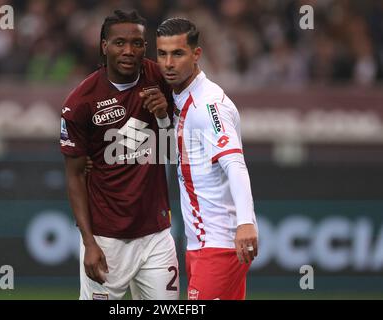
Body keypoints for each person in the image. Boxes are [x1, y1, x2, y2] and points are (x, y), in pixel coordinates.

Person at [60, 10, 179, 300]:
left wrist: (165, 116)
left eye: (136, 43)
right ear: (104, 46)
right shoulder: (80, 102)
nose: (128, 51)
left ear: (145, 47)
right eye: (119, 43)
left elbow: (174, 150)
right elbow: (74, 175)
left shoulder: (159, 77)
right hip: (106, 238)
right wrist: (88, 242)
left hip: (156, 234)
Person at [156, 18, 258, 300]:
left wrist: (246, 222)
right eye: (162, 54)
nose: (168, 63)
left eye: (177, 54)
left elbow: (234, 163)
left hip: (220, 245)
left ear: (196, 54)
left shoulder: (208, 105)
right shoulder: (180, 98)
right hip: (201, 244)